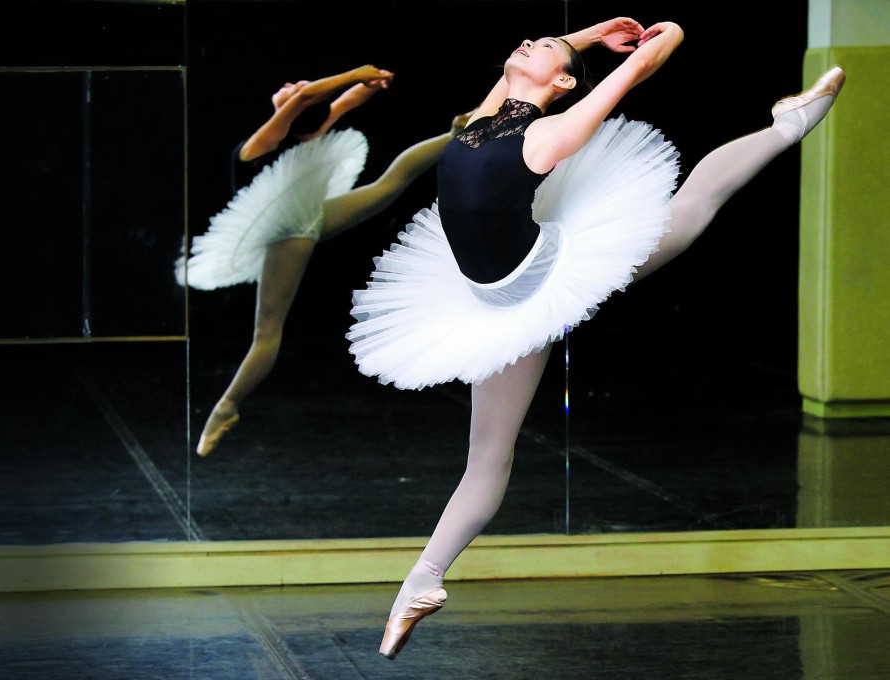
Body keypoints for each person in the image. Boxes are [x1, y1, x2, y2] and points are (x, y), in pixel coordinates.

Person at [344, 17, 846, 659]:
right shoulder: (484, 112)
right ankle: (422, 582)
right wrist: (586, 36)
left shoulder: (547, 133)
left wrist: (665, 38)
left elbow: (632, 74)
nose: (526, 42)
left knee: (687, 215)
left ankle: (786, 125)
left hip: (545, 279)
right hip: (486, 304)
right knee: (486, 458)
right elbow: (539, 64)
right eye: (527, 40)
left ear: (558, 83)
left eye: (543, 48)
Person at [178, 64, 471, 456]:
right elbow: (318, 99)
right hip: (292, 225)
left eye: (296, 87)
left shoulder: (272, 137)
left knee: (267, 329)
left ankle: (225, 406)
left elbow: (315, 99)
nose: (291, 85)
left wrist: (363, 78)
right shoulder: (291, 131)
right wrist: (364, 80)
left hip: (296, 228)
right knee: (388, 183)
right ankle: (227, 406)